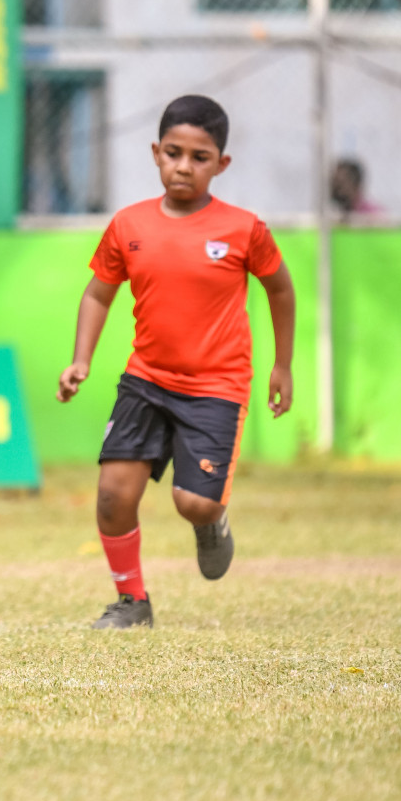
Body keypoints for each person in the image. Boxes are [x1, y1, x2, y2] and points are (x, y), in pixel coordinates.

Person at [57, 94, 295, 630]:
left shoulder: (244, 229)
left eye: (199, 156)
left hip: (217, 386)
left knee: (194, 504)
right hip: (146, 381)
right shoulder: (128, 225)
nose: (183, 166)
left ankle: (212, 521)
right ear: (155, 154)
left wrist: (283, 366)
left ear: (221, 164)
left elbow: (280, 290)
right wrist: (80, 360)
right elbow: (98, 294)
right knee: (113, 495)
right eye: (173, 152)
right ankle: (132, 602)